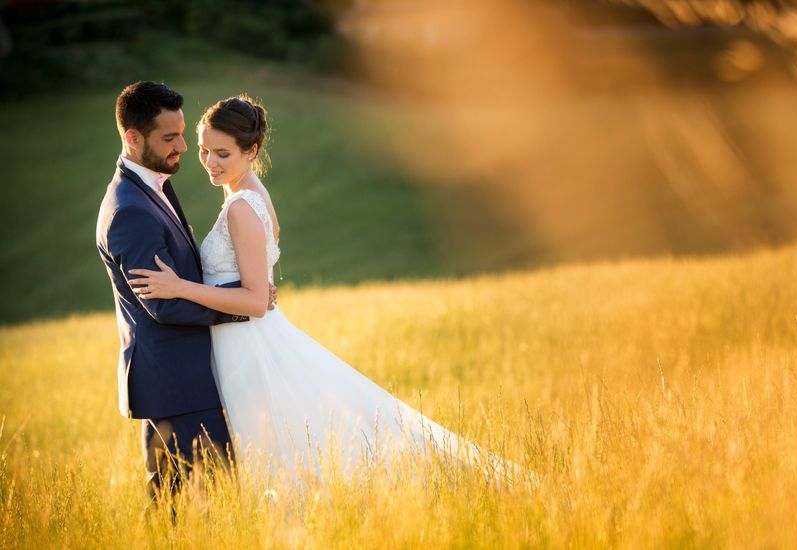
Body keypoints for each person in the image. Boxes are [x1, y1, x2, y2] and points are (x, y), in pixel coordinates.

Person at [127, 95, 521, 485]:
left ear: (251, 150)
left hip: (248, 345)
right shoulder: (247, 194)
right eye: (204, 151)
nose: (210, 163)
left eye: (223, 154)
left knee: (283, 453)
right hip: (239, 340)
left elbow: (254, 301)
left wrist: (180, 287)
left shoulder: (243, 207)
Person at [95, 82, 275, 502]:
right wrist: (246, 302)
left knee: (200, 511)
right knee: (187, 513)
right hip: (176, 388)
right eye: (170, 138)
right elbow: (166, 303)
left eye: (181, 135)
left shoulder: (151, 184)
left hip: (193, 382)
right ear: (133, 138)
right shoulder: (129, 210)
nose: (182, 148)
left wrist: (246, 292)